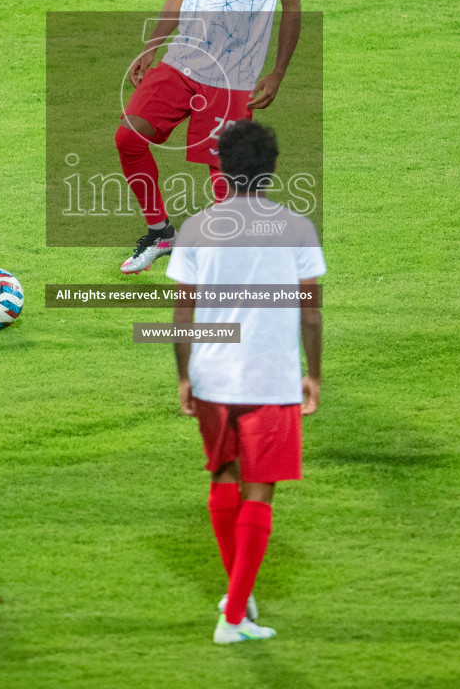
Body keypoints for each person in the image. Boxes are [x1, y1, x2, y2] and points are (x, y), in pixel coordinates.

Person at [166, 121, 325, 644]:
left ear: (222, 169)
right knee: (259, 492)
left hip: (212, 377)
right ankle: (233, 618)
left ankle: (241, 596)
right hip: (270, 378)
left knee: (223, 479)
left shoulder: (195, 228)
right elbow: (311, 312)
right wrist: (314, 374)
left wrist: (185, 377)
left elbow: (181, 313)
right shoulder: (297, 228)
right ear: (274, 169)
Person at [115, 0, 305, 274]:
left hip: (234, 77)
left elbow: (293, 10)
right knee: (129, 138)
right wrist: (152, 47)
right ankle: (161, 233)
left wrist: (277, 73)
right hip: (183, 61)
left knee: (226, 177)